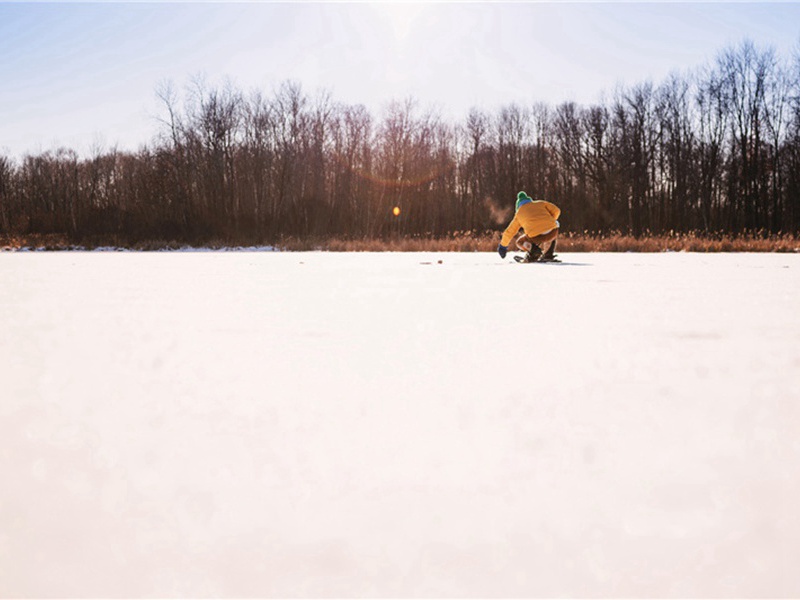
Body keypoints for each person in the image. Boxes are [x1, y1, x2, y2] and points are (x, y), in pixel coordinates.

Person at [497, 191, 561, 262]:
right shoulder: (540, 203)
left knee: (519, 242)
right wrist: (550, 220)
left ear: (518, 206)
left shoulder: (519, 214)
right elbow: (557, 210)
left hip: (535, 236)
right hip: (552, 232)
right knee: (554, 226)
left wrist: (503, 246)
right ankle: (548, 254)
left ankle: (534, 251)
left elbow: (510, 231)